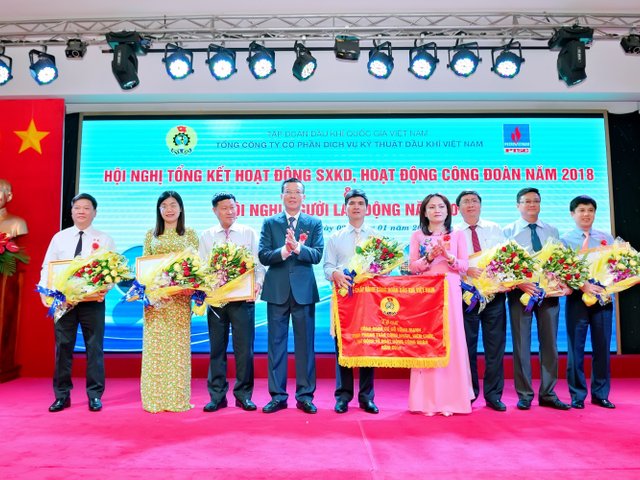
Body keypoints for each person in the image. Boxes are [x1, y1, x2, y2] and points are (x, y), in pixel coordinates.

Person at [39, 193, 115, 412]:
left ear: (95, 212)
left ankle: (95, 395)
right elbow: (48, 267)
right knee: (63, 347)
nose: (81, 211)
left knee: (94, 347)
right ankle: (62, 396)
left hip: (93, 301)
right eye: (77, 208)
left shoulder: (104, 239)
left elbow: (112, 271)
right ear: (71, 212)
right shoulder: (59, 238)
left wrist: (106, 288)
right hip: (64, 302)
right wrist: (44, 292)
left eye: (86, 208)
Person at [259, 177, 324, 414]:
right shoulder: (270, 223)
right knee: (276, 345)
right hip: (276, 291)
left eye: (297, 192)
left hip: (303, 292)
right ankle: (278, 396)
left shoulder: (313, 223)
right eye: (288, 192)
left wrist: (297, 248)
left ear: (303, 197)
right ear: (282, 196)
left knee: (305, 345)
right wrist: (283, 252)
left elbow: (317, 255)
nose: (293, 195)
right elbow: (263, 255)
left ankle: (305, 396)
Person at [503, 187, 570, 411]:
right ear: (518, 205)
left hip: (549, 294)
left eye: (536, 201)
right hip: (521, 293)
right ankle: (524, 395)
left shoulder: (552, 230)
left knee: (550, 344)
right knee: (521, 344)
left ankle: (548, 393)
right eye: (527, 201)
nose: (532, 205)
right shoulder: (507, 231)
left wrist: (561, 282)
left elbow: (559, 261)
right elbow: (503, 265)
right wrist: (520, 283)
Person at [198, 192, 265, 412]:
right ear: (215, 211)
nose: (230, 211)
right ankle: (217, 396)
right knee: (217, 349)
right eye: (225, 208)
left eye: (233, 207)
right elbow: (202, 267)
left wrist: (257, 284)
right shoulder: (207, 236)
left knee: (244, 351)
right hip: (217, 302)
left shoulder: (248, 233)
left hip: (242, 299)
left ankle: (243, 395)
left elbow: (258, 265)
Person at [408, 193, 473, 416]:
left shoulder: (457, 234)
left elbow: (465, 265)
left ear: (448, 211)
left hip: (450, 291)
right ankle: (426, 401)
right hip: (426, 293)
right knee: (427, 341)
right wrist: (428, 258)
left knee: (451, 340)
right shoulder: (417, 236)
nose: (437, 210)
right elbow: (412, 267)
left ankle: (452, 400)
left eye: (441, 207)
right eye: (432, 207)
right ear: (424, 212)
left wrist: (448, 257)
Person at [141, 191, 198, 413]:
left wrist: (189, 287)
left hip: (180, 300)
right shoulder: (151, 235)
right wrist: (153, 291)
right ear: (159, 210)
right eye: (164, 205)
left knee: (177, 350)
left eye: (173, 205)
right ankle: (154, 399)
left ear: (181, 208)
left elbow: (196, 266)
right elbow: (144, 268)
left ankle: (176, 399)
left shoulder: (190, 234)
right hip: (156, 301)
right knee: (156, 349)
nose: (169, 209)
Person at [323, 189, 379, 415]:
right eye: (352, 203)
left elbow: (383, 268)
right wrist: (335, 273)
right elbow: (327, 267)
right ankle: (343, 396)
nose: (356, 207)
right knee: (343, 347)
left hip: (369, 301)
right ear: (345, 208)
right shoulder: (335, 237)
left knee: (368, 344)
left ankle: (367, 397)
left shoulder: (375, 237)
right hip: (344, 300)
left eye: (360, 203)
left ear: (367, 208)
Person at [561, 195, 615, 409]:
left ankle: (601, 394)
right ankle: (577, 395)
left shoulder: (606, 238)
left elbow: (615, 266)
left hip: (602, 297)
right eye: (581, 210)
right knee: (576, 348)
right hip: (577, 298)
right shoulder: (564, 240)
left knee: (602, 346)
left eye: (590, 210)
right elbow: (562, 270)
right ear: (572, 214)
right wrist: (583, 285)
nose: (586, 214)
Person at [455, 190, 508, 412]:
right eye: (466, 202)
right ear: (458, 208)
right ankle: (468, 393)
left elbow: (506, 258)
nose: (470, 205)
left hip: (494, 295)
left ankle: (493, 395)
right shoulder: (453, 233)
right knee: (467, 347)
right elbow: (450, 264)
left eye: (474, 201)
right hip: (466, 296)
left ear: (480, 205)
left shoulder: (494, 228)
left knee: (495, 346)